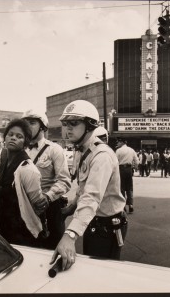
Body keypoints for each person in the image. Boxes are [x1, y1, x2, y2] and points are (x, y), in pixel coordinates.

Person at [50, 100, 127, 271]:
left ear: (90, 125)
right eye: (65, 123)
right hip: (92, 221)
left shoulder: (102, 155)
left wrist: (70, 235)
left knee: (101, 274)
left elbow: (92, 196)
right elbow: (83, 188)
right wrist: (71, 208)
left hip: (107, 225)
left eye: (74, 123)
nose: (68, 128)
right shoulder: (80, 150)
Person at [0, 119, 49, 246]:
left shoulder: (27, 168)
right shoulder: (4, 162)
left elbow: (38, 206)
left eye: (19, 136)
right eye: (10, 134)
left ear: (25, 142)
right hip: (4, 229)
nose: (13, 138)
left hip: (23, 233)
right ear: (5, 138)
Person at [22, 109, 71, 249]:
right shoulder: (20, 150)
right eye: (25, 123)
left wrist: (48, 197)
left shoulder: (54, 149)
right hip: (25, 209)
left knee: (52, 249)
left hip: (49, 209)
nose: (27, 126)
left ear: (43, 126)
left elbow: (65, 181)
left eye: (32, 123)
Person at [115, 139, 139, 213]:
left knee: (121, 188)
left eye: (118, 142)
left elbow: (115, 161)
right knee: (129, 188)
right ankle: (131, 205)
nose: (117, 143)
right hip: (129, 169)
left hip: (121, 169)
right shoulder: (131, 150)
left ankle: (123, 206)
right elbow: (136, 160)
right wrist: (135, 167)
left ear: (122, 142)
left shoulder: (118, 151)